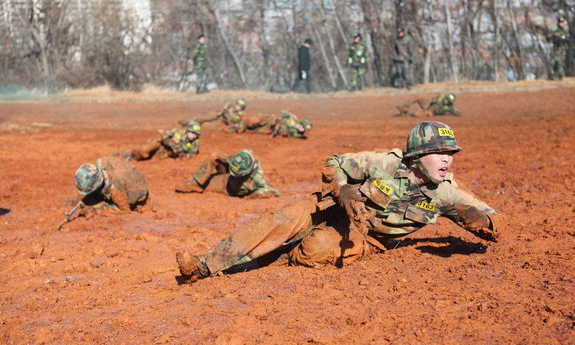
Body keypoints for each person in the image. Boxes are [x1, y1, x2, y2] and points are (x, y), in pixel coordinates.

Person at [176, 121, 504, 283]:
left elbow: (497, 222)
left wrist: (479, 218)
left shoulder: (446, 193)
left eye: (451, 153)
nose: (448, 159)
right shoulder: (385, 162)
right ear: (417, 156)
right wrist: (343, 188)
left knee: (312, 250)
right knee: (283, 219)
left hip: (364, 235)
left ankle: (279, 254)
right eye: (440, 153)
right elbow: (335, 162)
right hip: (332, 207)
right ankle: (204, 264)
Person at [61, 156, 151, 227]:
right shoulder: (101, 163)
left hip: (137, 190)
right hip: (122, 175)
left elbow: (124, 210)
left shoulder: (115, 189)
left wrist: (96, 211)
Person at [174, 149, 280, 198]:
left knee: (208, 186)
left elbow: (273, 191)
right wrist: (227, 160)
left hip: (228, 187)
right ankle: (197, 183)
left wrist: (251, 196)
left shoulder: (258, 179)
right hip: (230, 176)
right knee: (214, 155)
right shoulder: (246, 156)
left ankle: (201, 186)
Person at [125, 120, 201, 161]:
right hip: (161, 146)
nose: (194, 136)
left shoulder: (195, 143)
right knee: (146, 150)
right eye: (193, 133)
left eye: (197, 134)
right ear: (187, 130)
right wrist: (169, 142)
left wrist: (180, 152)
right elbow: (163, 135)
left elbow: (191, 153)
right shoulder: (177, 132)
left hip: (167, 154)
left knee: (152, 158)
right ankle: (130, 155)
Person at [181, 98, 247, 133]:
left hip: (222, 124)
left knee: (206, 125)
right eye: (237, 105)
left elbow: (239, 124)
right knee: (202, 118)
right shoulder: (231, 109)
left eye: (239, 106)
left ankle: (192, 125)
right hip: (219, 118)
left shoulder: (243, 114)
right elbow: (223, 111)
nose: (237, 107)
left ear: (243, 107)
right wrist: (225, 109)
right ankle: (188, 122)